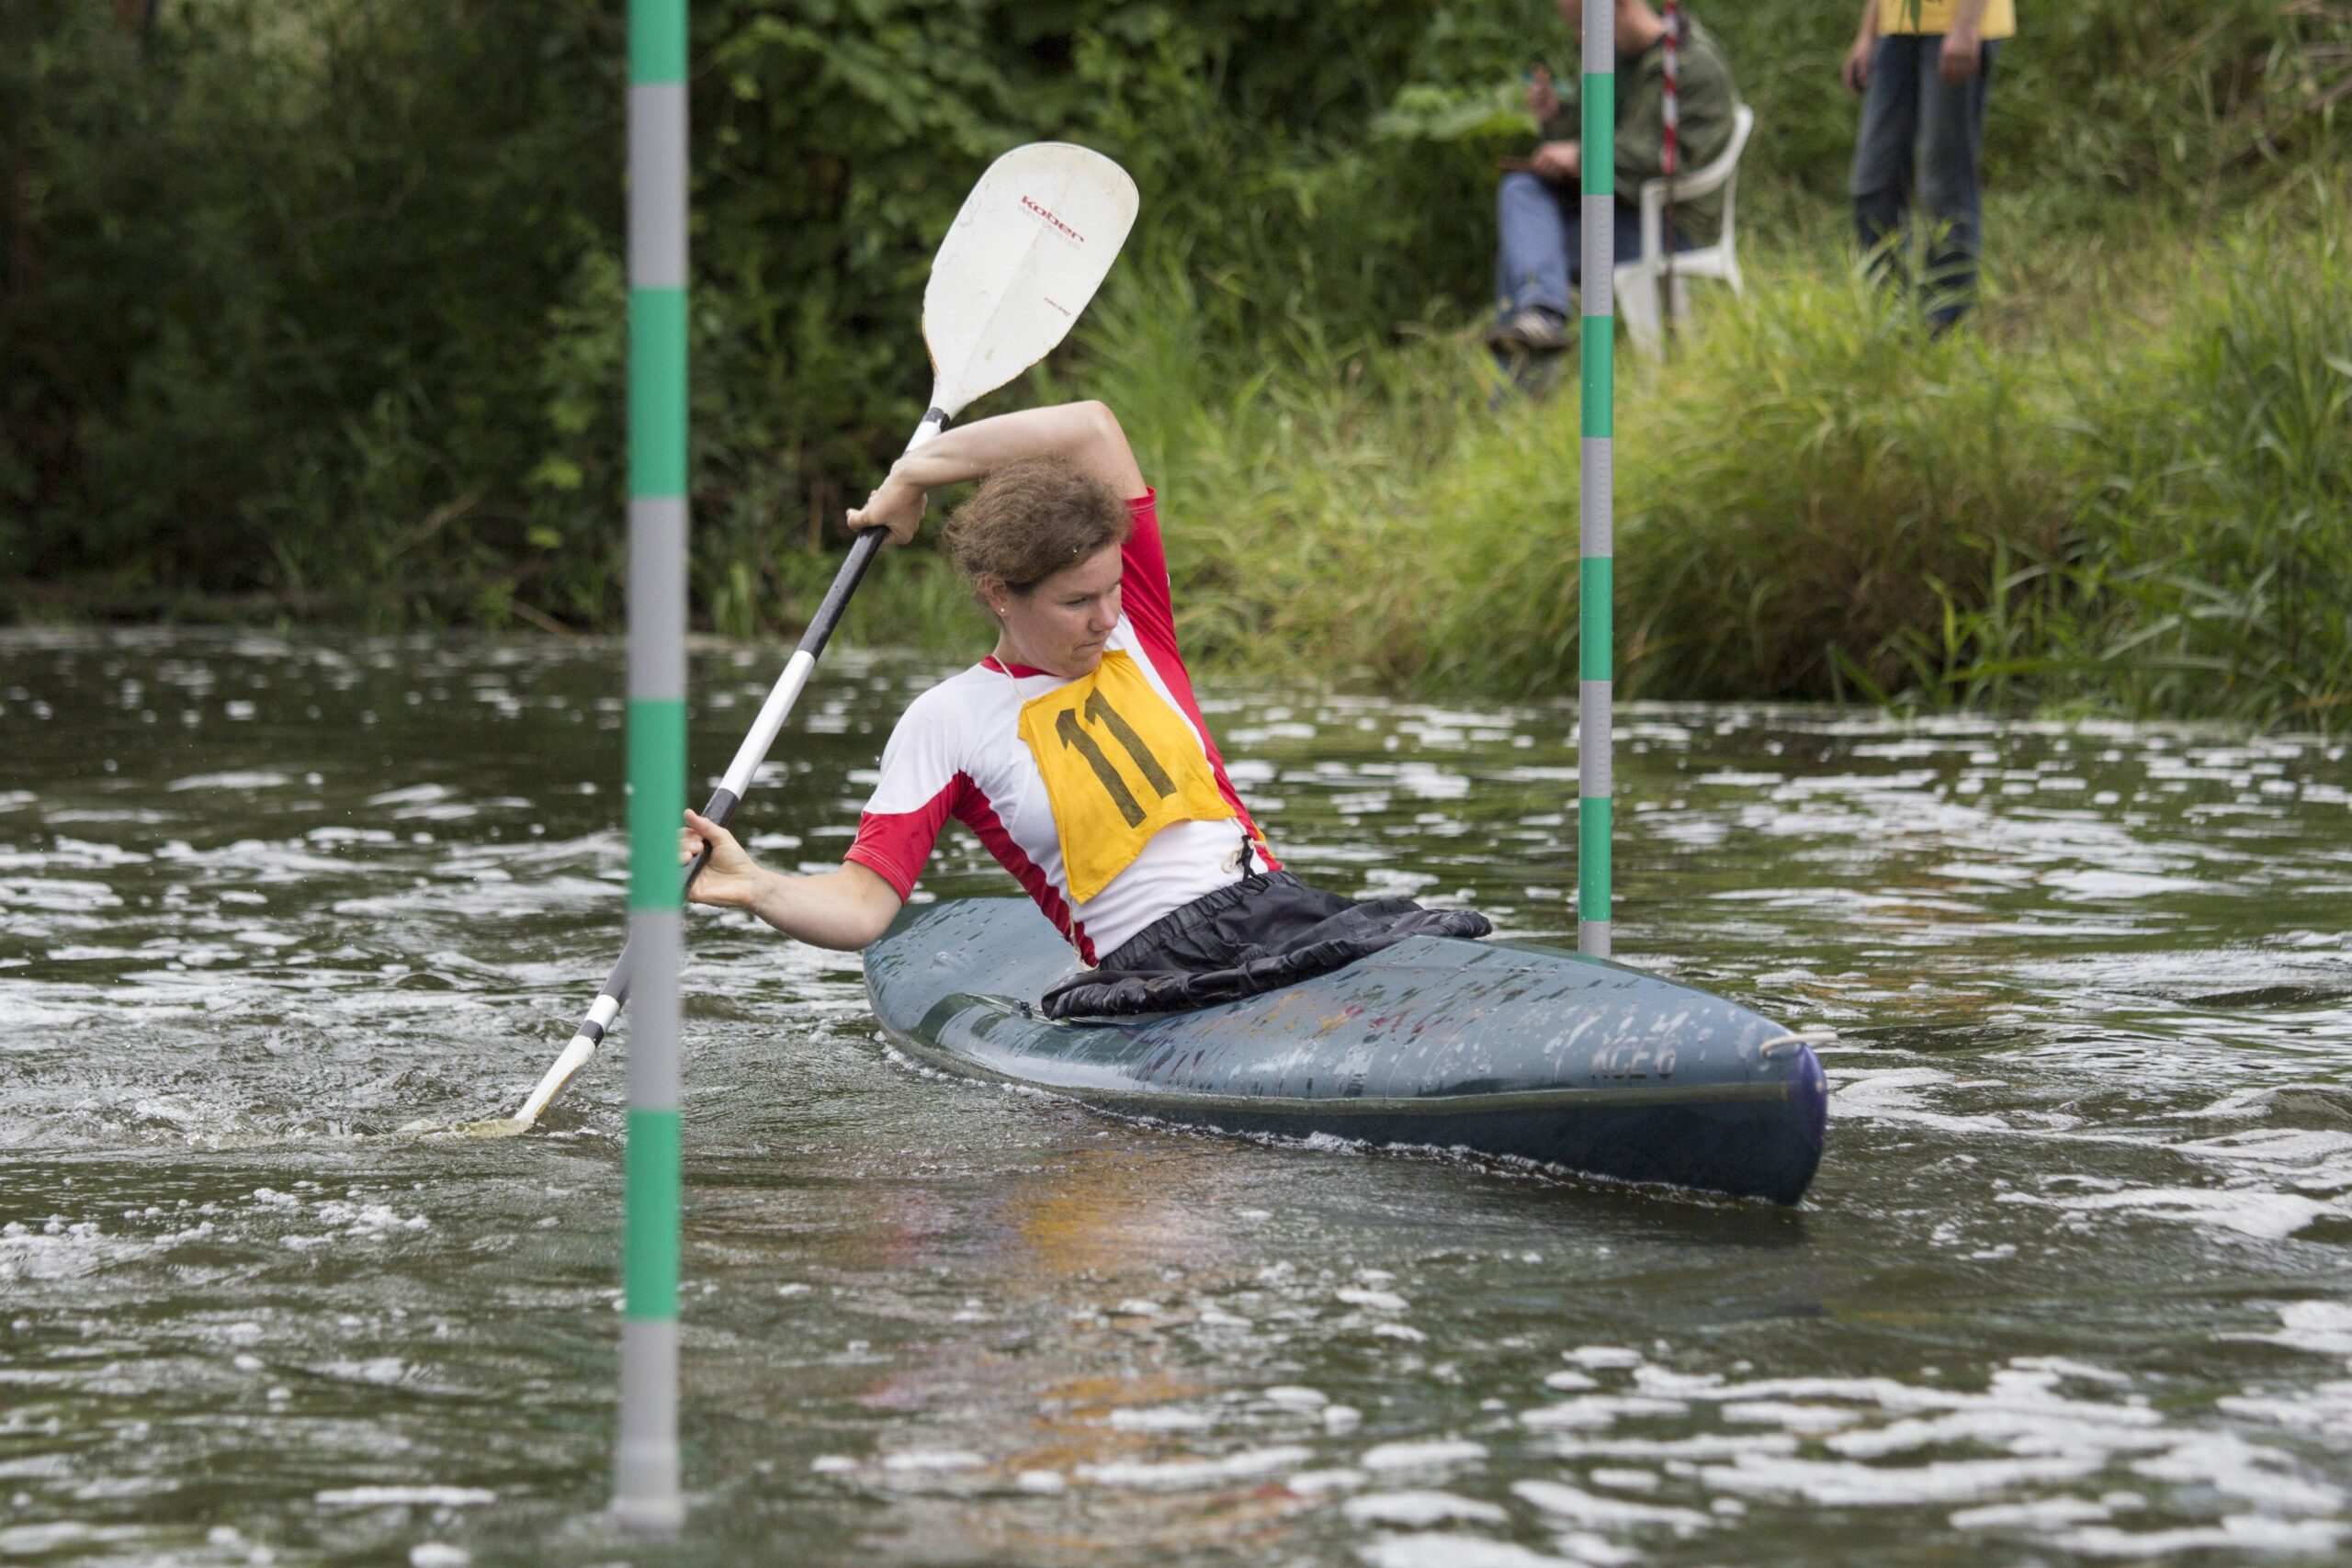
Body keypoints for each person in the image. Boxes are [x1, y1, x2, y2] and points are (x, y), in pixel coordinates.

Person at [678, 401, 1489, 1018]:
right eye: (1076, 603)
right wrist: (755, 885)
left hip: (1279, 907)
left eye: (1110, 592)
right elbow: (862, 907)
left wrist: (915, 472)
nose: (1107, 620)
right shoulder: (948, 720)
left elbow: (1091, 427)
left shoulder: (1134, 623)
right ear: (1001, 594)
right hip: (1153, 963)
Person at [1491, 0, 1740, 354]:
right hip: (1610, 210)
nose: (1580, 39)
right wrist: (1555, 116)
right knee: (1521, 190)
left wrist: (1581, 157)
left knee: (1526, 252)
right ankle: (1540, 320)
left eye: (1582, 26)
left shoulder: (1690, 64)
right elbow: (1584, 133)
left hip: (1670, 227)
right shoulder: (1610, 60)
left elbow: (1668, 161)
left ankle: (1529, 359)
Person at [1844, 0, 2012, 329]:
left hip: (1957, 26)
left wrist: (1965, 27)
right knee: (1874, 182)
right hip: (1895, 29)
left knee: (1944, 183)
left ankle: (1945, 322)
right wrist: (1867, 34)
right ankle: (1888, 313)